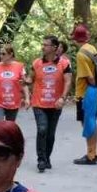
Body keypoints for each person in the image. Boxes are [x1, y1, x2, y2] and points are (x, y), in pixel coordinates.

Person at [26, 35, 72, 173]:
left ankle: (47, 158)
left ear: (54, 47)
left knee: (50, 134)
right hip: (39, 103)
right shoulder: (37, 63)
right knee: (42, 129)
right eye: (43, 44)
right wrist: (25, 81)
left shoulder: (64, 64)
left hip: (55, 104)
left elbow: (68, 81)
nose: (43, 47)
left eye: (46, 45)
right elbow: (30, 78)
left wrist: (63, 98)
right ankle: (41, 159)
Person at [72, 24, 97, 165]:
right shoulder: (92, 49)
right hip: (95, 91)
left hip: (85, 93)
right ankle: (93, 152)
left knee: (87, 123)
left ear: (75, 39)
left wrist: (91, 88)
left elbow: (88, 76)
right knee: (92, 122)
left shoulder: (81, 54)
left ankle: (90, 155)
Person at [0, 44, 28, 122]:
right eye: (0, 54)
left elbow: (24, 84)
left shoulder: (19, 67)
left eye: (3, 54)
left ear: (10, 54)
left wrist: (27, 98)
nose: (1, 56)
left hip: (13, 101)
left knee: (9, 127)